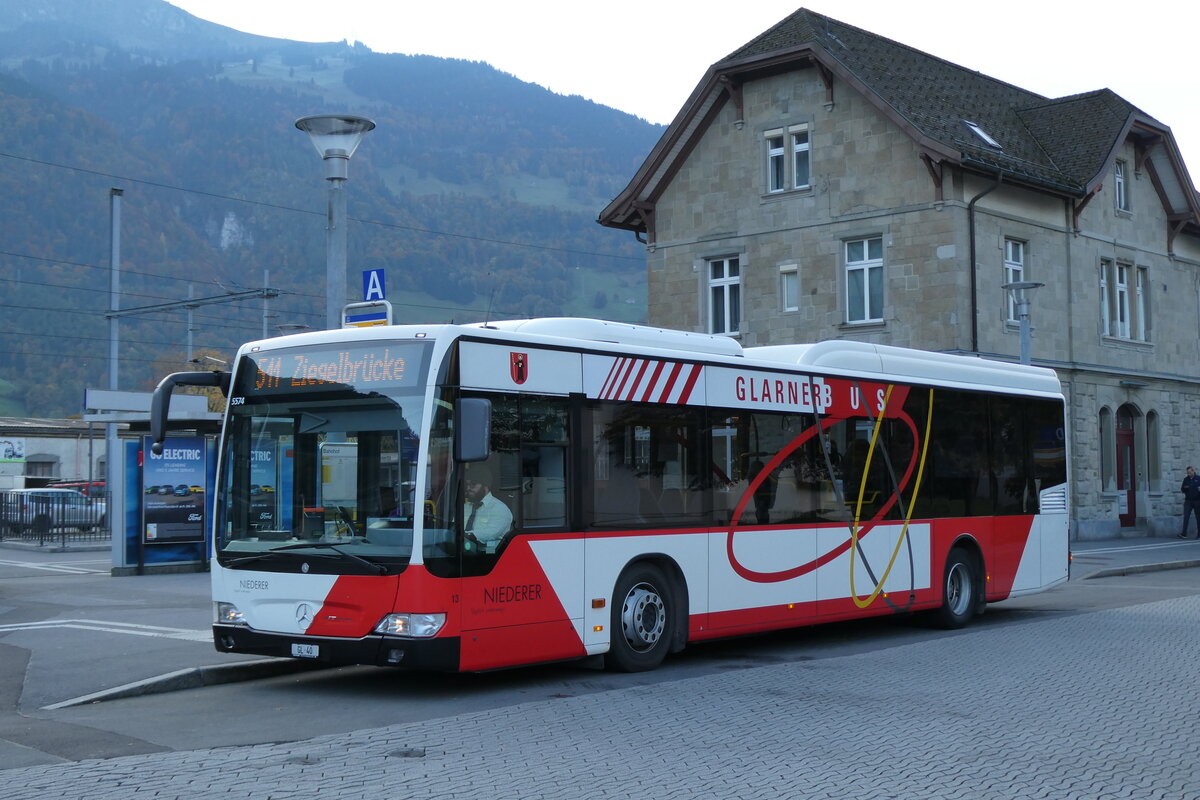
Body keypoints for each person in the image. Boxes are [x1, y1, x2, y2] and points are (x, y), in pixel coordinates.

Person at [462, 466, 513, 552]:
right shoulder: (465, 507)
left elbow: (492, 533)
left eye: (473, 484)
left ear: (486, 486)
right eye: (467, 485)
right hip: (463, 554)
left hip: (490, 557)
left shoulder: (500, 508)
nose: (468, 488)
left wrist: (466, 535)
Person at [1179, 465, 1200, 539]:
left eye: (1190, 472)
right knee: (1186, 517)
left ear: (1193, 471)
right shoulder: (1186, 479)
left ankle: (1199, 535)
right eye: (1188, 473)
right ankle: (1184, 533)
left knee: (1198, 517)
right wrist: (1185, 488)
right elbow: (1182, 489)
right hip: (1188, 501)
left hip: (1197, 501)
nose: (1189, 474)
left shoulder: (1198, 478)